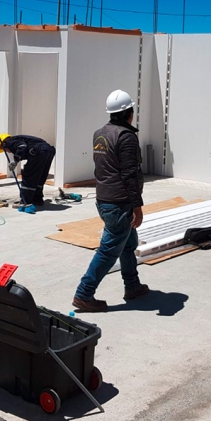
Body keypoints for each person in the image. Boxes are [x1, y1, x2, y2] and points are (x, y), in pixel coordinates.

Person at [73, 89, 150, 312]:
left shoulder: (100, 134)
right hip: (120, 203)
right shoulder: (126, 137)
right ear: (129, 113)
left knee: (128, 244)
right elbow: (129, 174)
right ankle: (84, 294)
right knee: (108, 251)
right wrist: (138, 207)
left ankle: (132, 286)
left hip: (104, 199)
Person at [0, 134, 56, 208]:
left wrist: (15, 160)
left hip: (38, 151)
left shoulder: (9, 142)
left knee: (29, 176)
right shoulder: (20, 139)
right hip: (49, 150)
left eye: (4, 149)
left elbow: (22, 146)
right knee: (40, 176)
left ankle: (25, 202)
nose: (7, 151)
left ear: (3, 144)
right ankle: (37, 199)